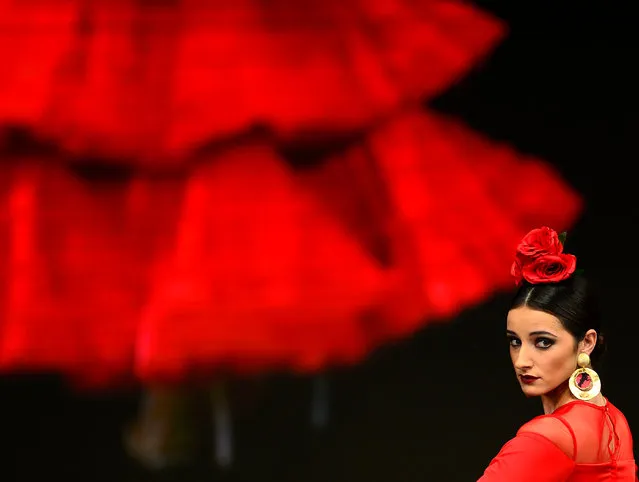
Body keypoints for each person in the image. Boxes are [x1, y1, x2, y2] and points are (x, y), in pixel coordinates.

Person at [478, 226, 637, 481]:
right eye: (515, 341)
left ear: (586, 342)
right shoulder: (615, 422)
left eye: (543, 342)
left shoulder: (547, 437)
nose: (521, 361)